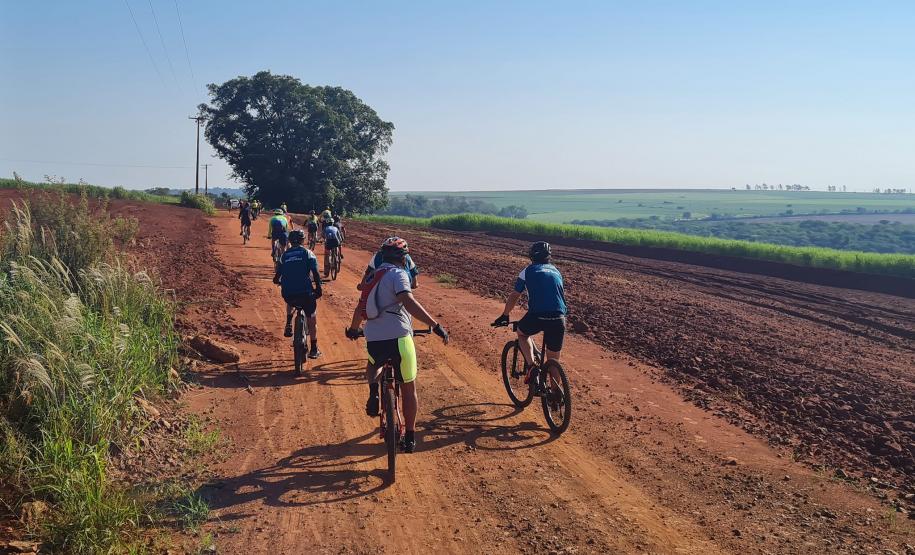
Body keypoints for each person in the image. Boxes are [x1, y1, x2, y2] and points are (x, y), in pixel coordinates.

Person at [345, 237, 448, 454]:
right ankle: (410, 437)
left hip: (374, 338)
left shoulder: (371, 277)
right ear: (403, 258)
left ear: (382, 256)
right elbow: (408, 301)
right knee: (409, 387)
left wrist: (354, 330)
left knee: (373, 363)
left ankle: (374, 391)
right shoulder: (399, 274)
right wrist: (435, 325)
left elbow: (360, 307)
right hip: (400, 337)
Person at [493, 241, 567, 396]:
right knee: (553, 360)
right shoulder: (556, 271)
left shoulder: (527, 271)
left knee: (522, 333)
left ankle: (532, 366)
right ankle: (555, 396)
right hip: (559, 318)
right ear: (548, 256)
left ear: (531, 256)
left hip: (538, 315)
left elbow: (515, 295)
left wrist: (505, 315)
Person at [273, 230, 323, 359]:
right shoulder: (308, 253)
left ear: (289, 241)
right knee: (311, 317)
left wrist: (277, 281)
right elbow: (315, 272)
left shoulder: (285, 255)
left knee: (290, 299)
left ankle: (289, 323)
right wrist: (318, 288)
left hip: (288, 293)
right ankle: (314, 348)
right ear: (302, 240)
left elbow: (277, 275)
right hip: (306, 293)